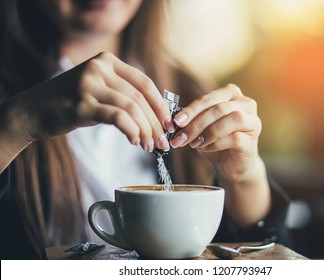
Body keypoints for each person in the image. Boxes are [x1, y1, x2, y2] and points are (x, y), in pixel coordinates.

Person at [0, 0, 289, 259]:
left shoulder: (190, 92)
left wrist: (243, 178)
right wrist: (20, 121)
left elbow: (263, 258)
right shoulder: (13, 104)